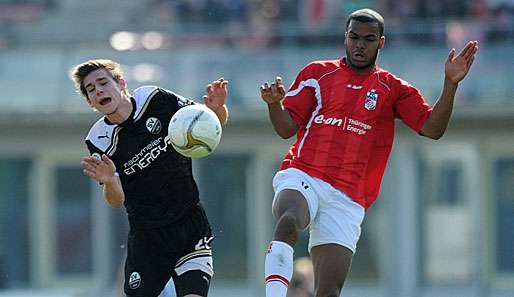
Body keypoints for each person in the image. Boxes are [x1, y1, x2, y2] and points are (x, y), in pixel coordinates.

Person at [260, 8, 478, 297]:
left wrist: (450, 85)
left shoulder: (393, 89)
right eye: (353, 37)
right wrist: (274, 105)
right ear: (345, 38)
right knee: (288, 220)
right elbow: (286, 129)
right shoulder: (317, 73)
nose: (359, 45)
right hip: (304, 174)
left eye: (368, 39)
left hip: (348, 196)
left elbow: (432, 129)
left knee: (329, 291)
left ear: (381, 43)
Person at [70, 59, 228, 297]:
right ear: (91, 102)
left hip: (190, 225)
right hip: (148, 238)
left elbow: (208, 127)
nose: (98, 90)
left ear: (121, 83)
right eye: (91, 90)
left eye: (103, 83)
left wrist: (216, 109)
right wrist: (111, 180)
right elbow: (115, 201)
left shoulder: (154, 98)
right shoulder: (99, 139)